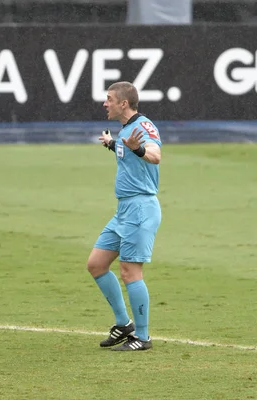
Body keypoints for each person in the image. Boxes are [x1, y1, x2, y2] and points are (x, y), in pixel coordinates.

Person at [88, 81, 162, 351]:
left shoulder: (143, 127)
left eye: (109, 99)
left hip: (141, 210)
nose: (105, 103)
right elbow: (126, 150)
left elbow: (155, 155)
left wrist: (138, 149)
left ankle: (142, 337)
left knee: (130, 271)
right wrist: (112, 143)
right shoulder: (125, 131)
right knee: (96, 264)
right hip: (123, 211)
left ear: (124, 103)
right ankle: (124, 324)